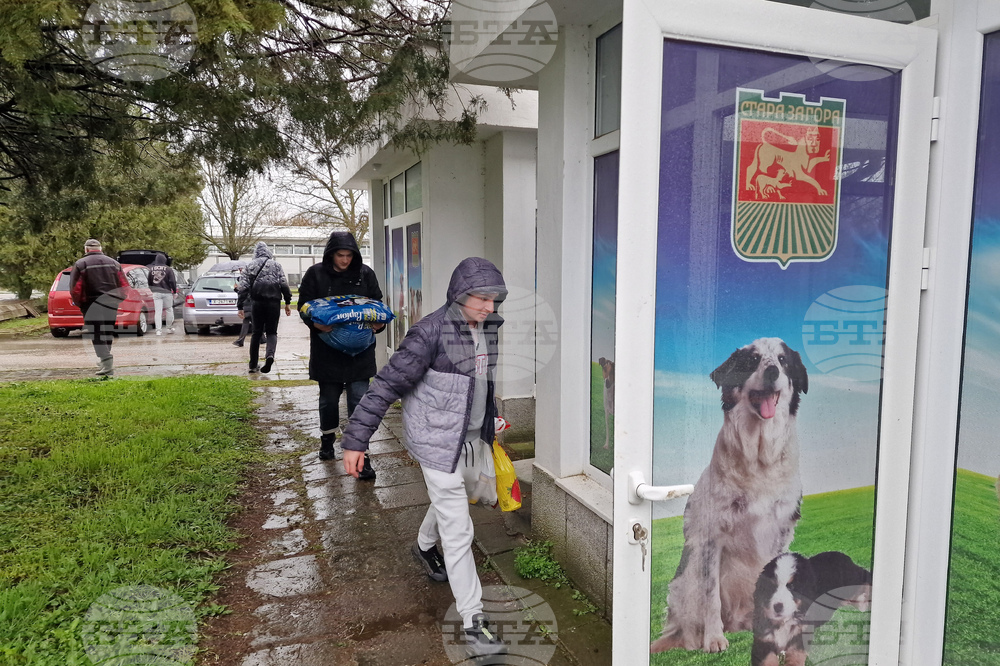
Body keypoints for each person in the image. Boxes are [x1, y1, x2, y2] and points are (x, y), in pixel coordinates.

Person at [341, 257, 508, 659]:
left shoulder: (490, 328)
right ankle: (473, 619)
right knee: (460, 528)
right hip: (437, 442)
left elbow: (481, 382)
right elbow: (384, 386)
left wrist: (493, 414)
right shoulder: (428, 333)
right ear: (458, 295)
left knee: (453, 505)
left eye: (495, 299)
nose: (489, 307)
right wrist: (355, 440)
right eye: (481, 298)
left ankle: (422, 544)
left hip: (472, 441)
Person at [298, 231, 385, 473]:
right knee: (328, 400)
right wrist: (314, 324)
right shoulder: (315, 274)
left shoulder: (365, 273)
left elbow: (377, 303)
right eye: (340, 255)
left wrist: (380, 324)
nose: (345, 260)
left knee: (359, 401)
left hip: (361, 351)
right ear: (331, 254)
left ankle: (362, 456)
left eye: (349, 255)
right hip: (327, 351)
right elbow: (303, 305)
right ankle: (327, 441)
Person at [69, 238, 129, 376]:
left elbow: (76, 289)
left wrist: (80, 303)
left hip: (91, 304)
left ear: (86, 249)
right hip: (111, 302)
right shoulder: (114, 263)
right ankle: (104, 361)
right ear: (100, 249)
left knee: (97, 333)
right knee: (107, 332)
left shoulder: (80, 264)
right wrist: (118, 299)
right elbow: (124, 285)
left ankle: (107, 365)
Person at [236, 241, 292, 374]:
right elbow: (283, 284)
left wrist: (240, 305)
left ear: (255, 253)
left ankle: (253, 365)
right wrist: (288, 302)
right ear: (268, 252)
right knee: (272, 332)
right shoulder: (277, 265)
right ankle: (270, 356)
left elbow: (243, 287)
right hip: (274, 303)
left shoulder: (250, 266)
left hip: (257, 303)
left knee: (256, 333)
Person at [148, 252, 177, 335]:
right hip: (167, 292)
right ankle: (169, 328)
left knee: (158, 311)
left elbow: (149, 281)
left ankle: (158, 330)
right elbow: (172, 281)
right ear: (164, 260)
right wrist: (174, 291)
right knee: (169, 310)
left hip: (156, 292)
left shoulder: (151, 269)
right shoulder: (168, 269)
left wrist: (152, 289)